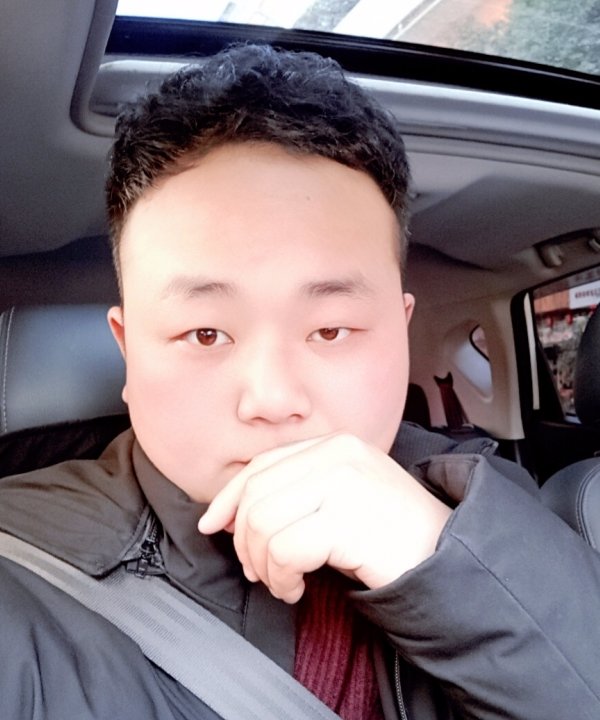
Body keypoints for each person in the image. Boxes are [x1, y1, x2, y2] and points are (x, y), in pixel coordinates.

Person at [1, 43, 600, 720]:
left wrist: (448, 564)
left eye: (331, 330)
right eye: (206, 334)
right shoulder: (23, 565)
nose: (273, 399)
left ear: (400, 332)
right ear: (128, 353)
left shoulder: (492, 506)